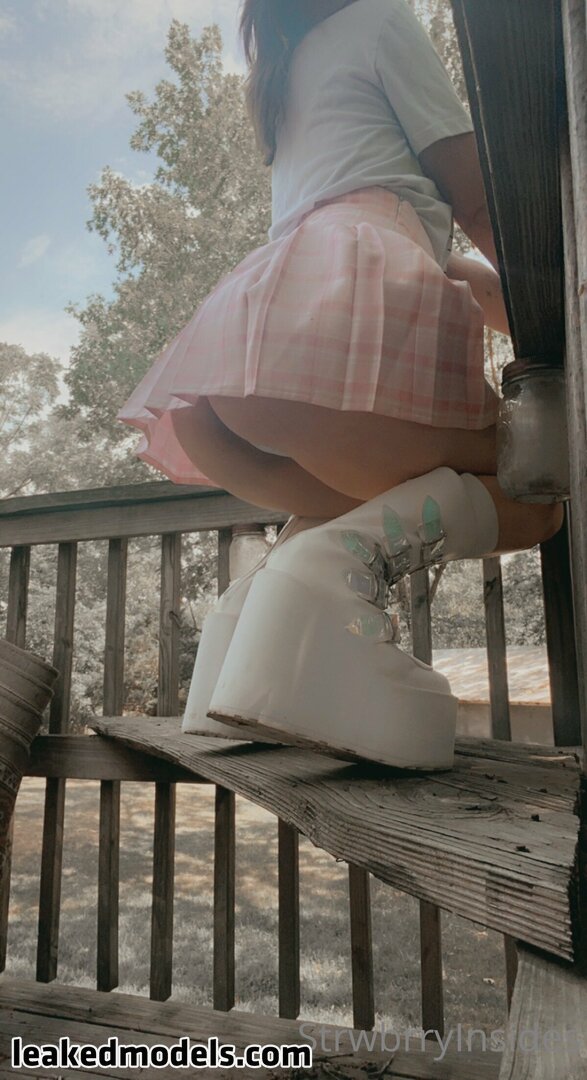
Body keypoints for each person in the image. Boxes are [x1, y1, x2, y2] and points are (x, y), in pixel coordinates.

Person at [118, 0, 562, 769]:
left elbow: (446, 264)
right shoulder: (380, 21)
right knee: (540, 488)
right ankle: (314, 591)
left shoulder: (286, 77)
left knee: (356, 501)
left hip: (228, 376)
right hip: (312, 348)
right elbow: (477, 200)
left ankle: (242, 645)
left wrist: (512, 308)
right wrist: (563, 310)